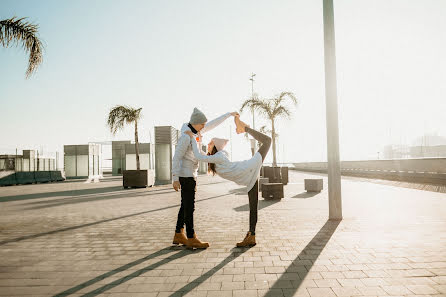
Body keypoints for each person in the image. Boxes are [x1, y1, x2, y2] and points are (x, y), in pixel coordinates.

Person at [185, 116, 271, 247]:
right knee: (253, 206)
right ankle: (251, 236)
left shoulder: (218, 156)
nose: (208, 144)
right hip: (247, 174)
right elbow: (201, 152)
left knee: (267, 141)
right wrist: (198, 139)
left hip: (248, 168)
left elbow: (198, 155)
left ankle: (245, 128)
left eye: (210, 143)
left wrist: (192, 138)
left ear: (215, 147)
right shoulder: (216, 157)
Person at [172, 108, 239, 249]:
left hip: (191, 174)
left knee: (185, 205)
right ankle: (191, 237)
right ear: (196, 123)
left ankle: (179, 233)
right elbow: (177, 157)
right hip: (186, 175)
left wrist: (228, 115)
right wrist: (175, 178)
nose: (204, 126)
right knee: (189, 207)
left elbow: (213, 123)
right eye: (202, 124)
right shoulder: (186, 136)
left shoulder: (196, 132)